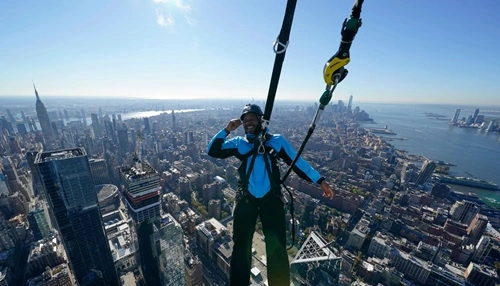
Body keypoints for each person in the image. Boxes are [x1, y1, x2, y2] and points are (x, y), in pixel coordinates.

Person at [207, 103, 334, 285]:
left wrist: (319, 180)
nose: (248, 122)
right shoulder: (239, 143)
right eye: (245, 120)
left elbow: (298, 163)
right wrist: (227, 129)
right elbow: (212, 151)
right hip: (246, 199)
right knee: (241, 248)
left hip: (271, 199)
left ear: (261, 120)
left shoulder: (277, 141)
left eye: (252, 118)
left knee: (277, 249)